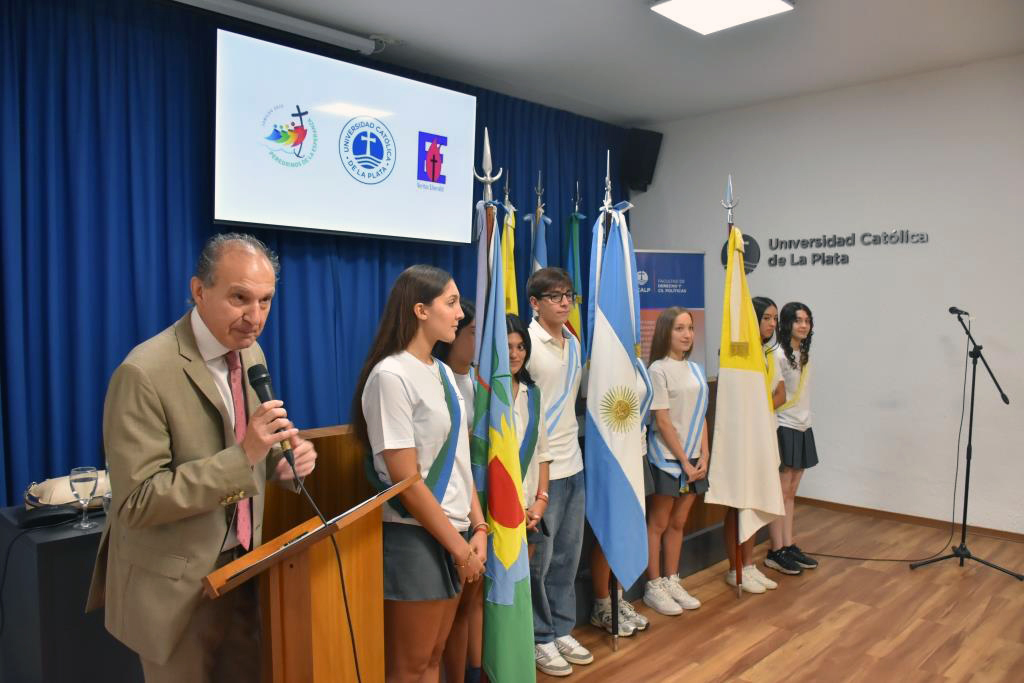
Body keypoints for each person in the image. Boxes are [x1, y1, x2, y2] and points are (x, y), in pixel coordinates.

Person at [86, 233, 318, 682]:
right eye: (240, 298)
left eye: (266, 301)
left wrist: (279, 464)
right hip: (176, 593)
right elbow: (137, 502)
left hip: (246, 571)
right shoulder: (143, 373)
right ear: (198, 291)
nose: (255, 318)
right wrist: (247, 454)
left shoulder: (249, 352)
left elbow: (241, 450)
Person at [353, 265, 487, 683]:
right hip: (415, 535)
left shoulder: (443, 372)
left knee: (435, 656)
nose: (460, 315)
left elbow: (460, 461)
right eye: (450, 303)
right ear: (420, 310)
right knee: (410, 666)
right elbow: (405, 482)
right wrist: (459, 549)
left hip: (457, 532)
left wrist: (479, 528)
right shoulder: (390, 376)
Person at [526, 267, 593, 677]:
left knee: (568, 556)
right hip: (539, 469)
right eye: (554, 296)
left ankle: (562, 628)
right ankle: (539, 636)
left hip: (574, 462)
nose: (565, 302)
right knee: (541, 560)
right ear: (534, 304)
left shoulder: (572, 341)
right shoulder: (526, 344)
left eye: (568, 295)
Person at [641, 307, 707, 616]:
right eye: (680, 328)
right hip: (668, 458)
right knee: (659, 522)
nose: (687, 334)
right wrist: (684, 461)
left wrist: (704, 454)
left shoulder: (696, 369)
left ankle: (672, 579)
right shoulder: (657, 369)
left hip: (695, 458)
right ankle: (654, 585)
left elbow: (702, 415)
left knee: (679, 523)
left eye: (690, 328)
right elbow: (663, 421)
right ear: (667, 331)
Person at [722, 297, 787, 592]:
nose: (773, 324)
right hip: (742, 436)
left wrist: (762, 408)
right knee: (739, 503)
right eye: (767, 318)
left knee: (756, 498)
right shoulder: (737, 349)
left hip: (763, 433)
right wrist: (761, 407)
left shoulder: (769, 353)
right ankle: (734, 567)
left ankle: (749, 564)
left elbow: (780, 393)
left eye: (775, 318)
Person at [434, 301, 484, 683]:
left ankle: (472, 671)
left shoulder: (479, 381)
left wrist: (479, 524)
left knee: (471, 602)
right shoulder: (438, 378)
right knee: (439, 625)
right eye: (471, 332)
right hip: (443, 513)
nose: (478, 339)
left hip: (473, 505)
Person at [764, 301, 819, 575]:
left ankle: (788, 544)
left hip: (803, 425)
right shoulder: (775, 354)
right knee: (781, 491)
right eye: (798, 320)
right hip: (784, 426)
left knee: (792, 491)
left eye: (807, 320)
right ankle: (775, 550)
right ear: (787, 323)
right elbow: (774, 394)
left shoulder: (803, 354)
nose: (803, 325)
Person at [505, 313, 552, 560]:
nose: (515, 354)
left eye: (520, 347)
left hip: (531, 511)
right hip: (499, 511)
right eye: (508, 347)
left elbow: (543, 453)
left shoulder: (533, 394)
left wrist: (541, 500)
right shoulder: (485, 394)